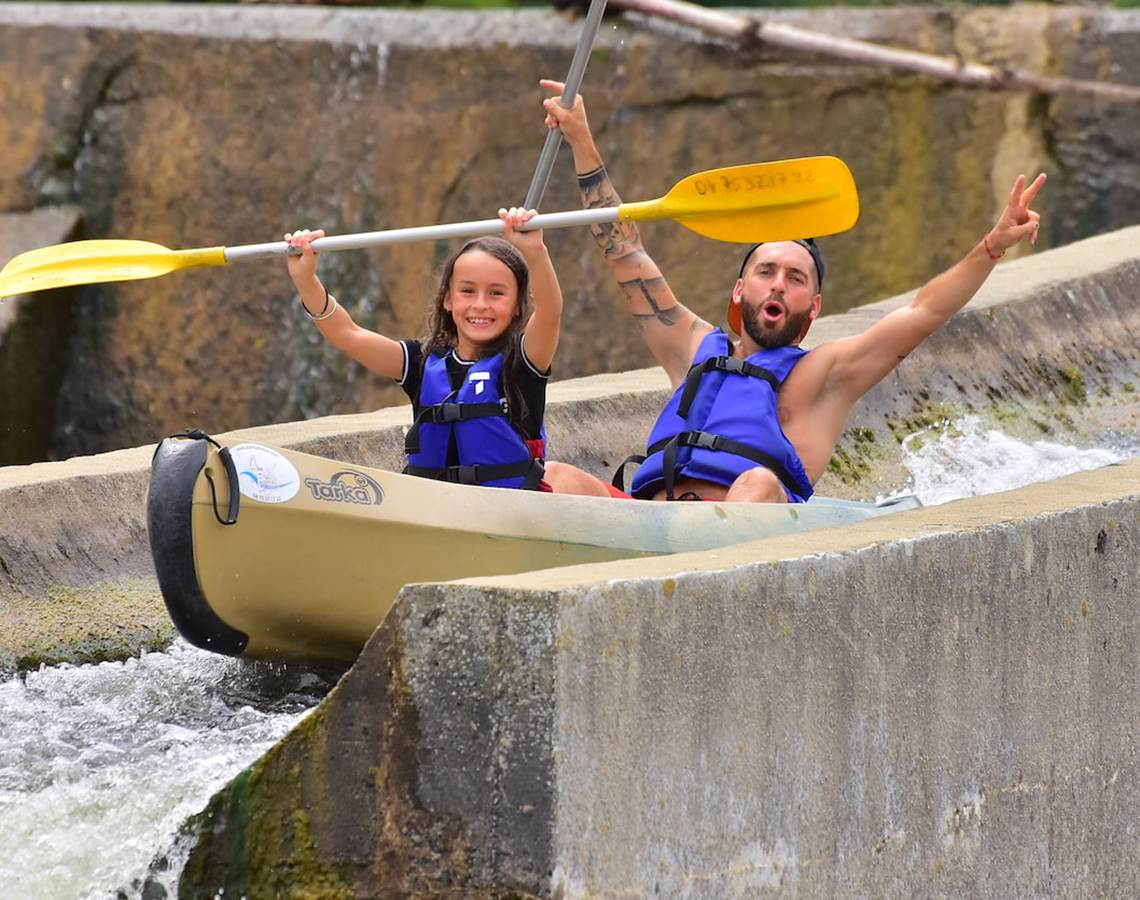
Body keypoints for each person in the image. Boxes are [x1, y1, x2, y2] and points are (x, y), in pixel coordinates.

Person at [538, 78, 1045, 503]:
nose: (778, 281)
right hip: (648, 517)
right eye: (766, 271)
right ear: (740, 289)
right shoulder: (693, 347)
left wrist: (992, 247)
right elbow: (625, 253)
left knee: (758, 482)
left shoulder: (826, 376)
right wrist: (583, 140)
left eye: (795, 277)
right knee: (557, 477)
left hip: (745, 524)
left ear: (814, 306)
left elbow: (921, 313)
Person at [284, 207, 563, 490]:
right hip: (435, 506)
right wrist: (305, 280)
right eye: (467, 291)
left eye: (496, 293)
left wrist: (535, 252)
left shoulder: (523, 361)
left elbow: (550, 313)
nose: (480, 304)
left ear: (517, 307)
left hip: (510, 507)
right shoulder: (421, 361)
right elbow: (347, 334)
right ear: (447, 300)